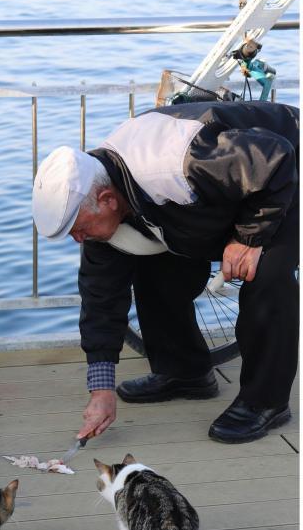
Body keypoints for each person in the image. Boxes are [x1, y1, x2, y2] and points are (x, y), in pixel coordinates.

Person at [32, 100, 299, 444]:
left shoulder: (174, 164)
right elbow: (100, 298)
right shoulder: (100, 197)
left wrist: (248, 237)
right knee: (155, 269)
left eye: (78, 229)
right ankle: (184, 372)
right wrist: (101, 390)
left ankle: (266, 402)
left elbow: (274, 157)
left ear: (107, 200)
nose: (78, 240)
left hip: (283, 174)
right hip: (226, 191)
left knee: (265, 275)